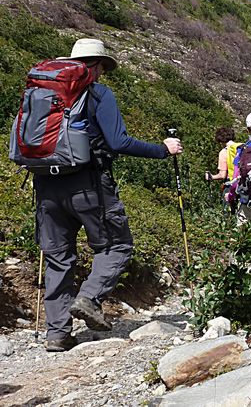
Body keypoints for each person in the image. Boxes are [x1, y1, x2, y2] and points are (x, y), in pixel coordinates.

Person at [34, 38, 182, 352]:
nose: (101, 73)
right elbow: (118, 142)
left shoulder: (44, 92)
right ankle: (89, 298)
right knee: (117, 246)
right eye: (102, 67)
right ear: (98, 65)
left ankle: (57, 334)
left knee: (58, 259)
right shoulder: (98, 93)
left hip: (46, 184)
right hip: (88, 185)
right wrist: (162, 150)